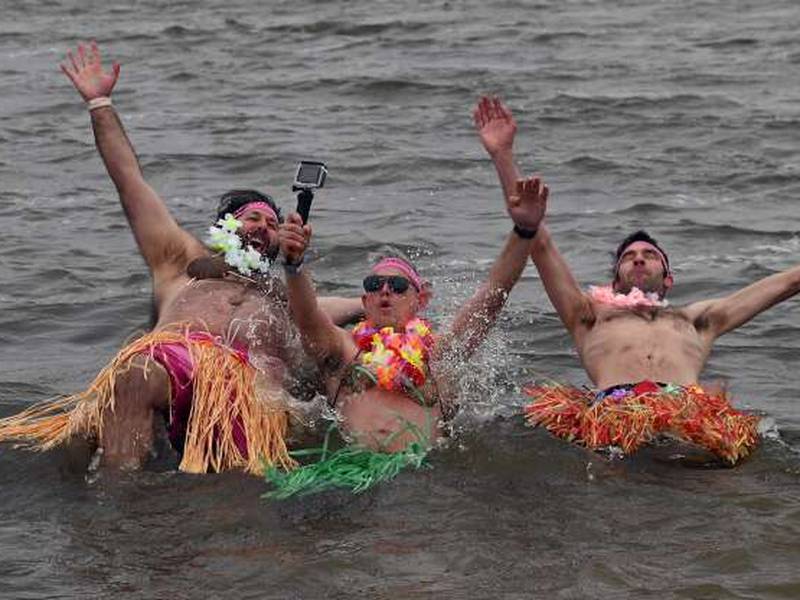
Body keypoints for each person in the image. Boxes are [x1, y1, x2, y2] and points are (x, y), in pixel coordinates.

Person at [0, 42, 361, 475]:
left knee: (236, 480)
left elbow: (364, 303)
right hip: (173, 358)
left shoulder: (287, 296)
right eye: (252, 218)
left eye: (271, 222)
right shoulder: (179, 262)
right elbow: (129, 180)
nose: (263, 226)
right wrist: (100, 103)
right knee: (131, 377)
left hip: (250, 394)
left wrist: (396, 302)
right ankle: (120, 507)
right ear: (225, 227)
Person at [473, 95, 798, 463]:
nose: (639, 259)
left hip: (688, 419)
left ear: (668, 279)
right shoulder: (588, 315)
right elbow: (537, 241)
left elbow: (788, 282)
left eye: (649, 256)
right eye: (629, 257)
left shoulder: (697, 320)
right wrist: (503, 156)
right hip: (615, 417)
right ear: (615, 282)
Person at [277, 166, 548, 455]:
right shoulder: (343, 349)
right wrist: (294, 264)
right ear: (365, 301)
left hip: (418, 475)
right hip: (350, 472)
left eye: (397, 285)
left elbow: (492, 297)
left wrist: (524, 231)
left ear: (419, 301)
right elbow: (306, 316)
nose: (385, 291)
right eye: (375, 284)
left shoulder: (439, 354)